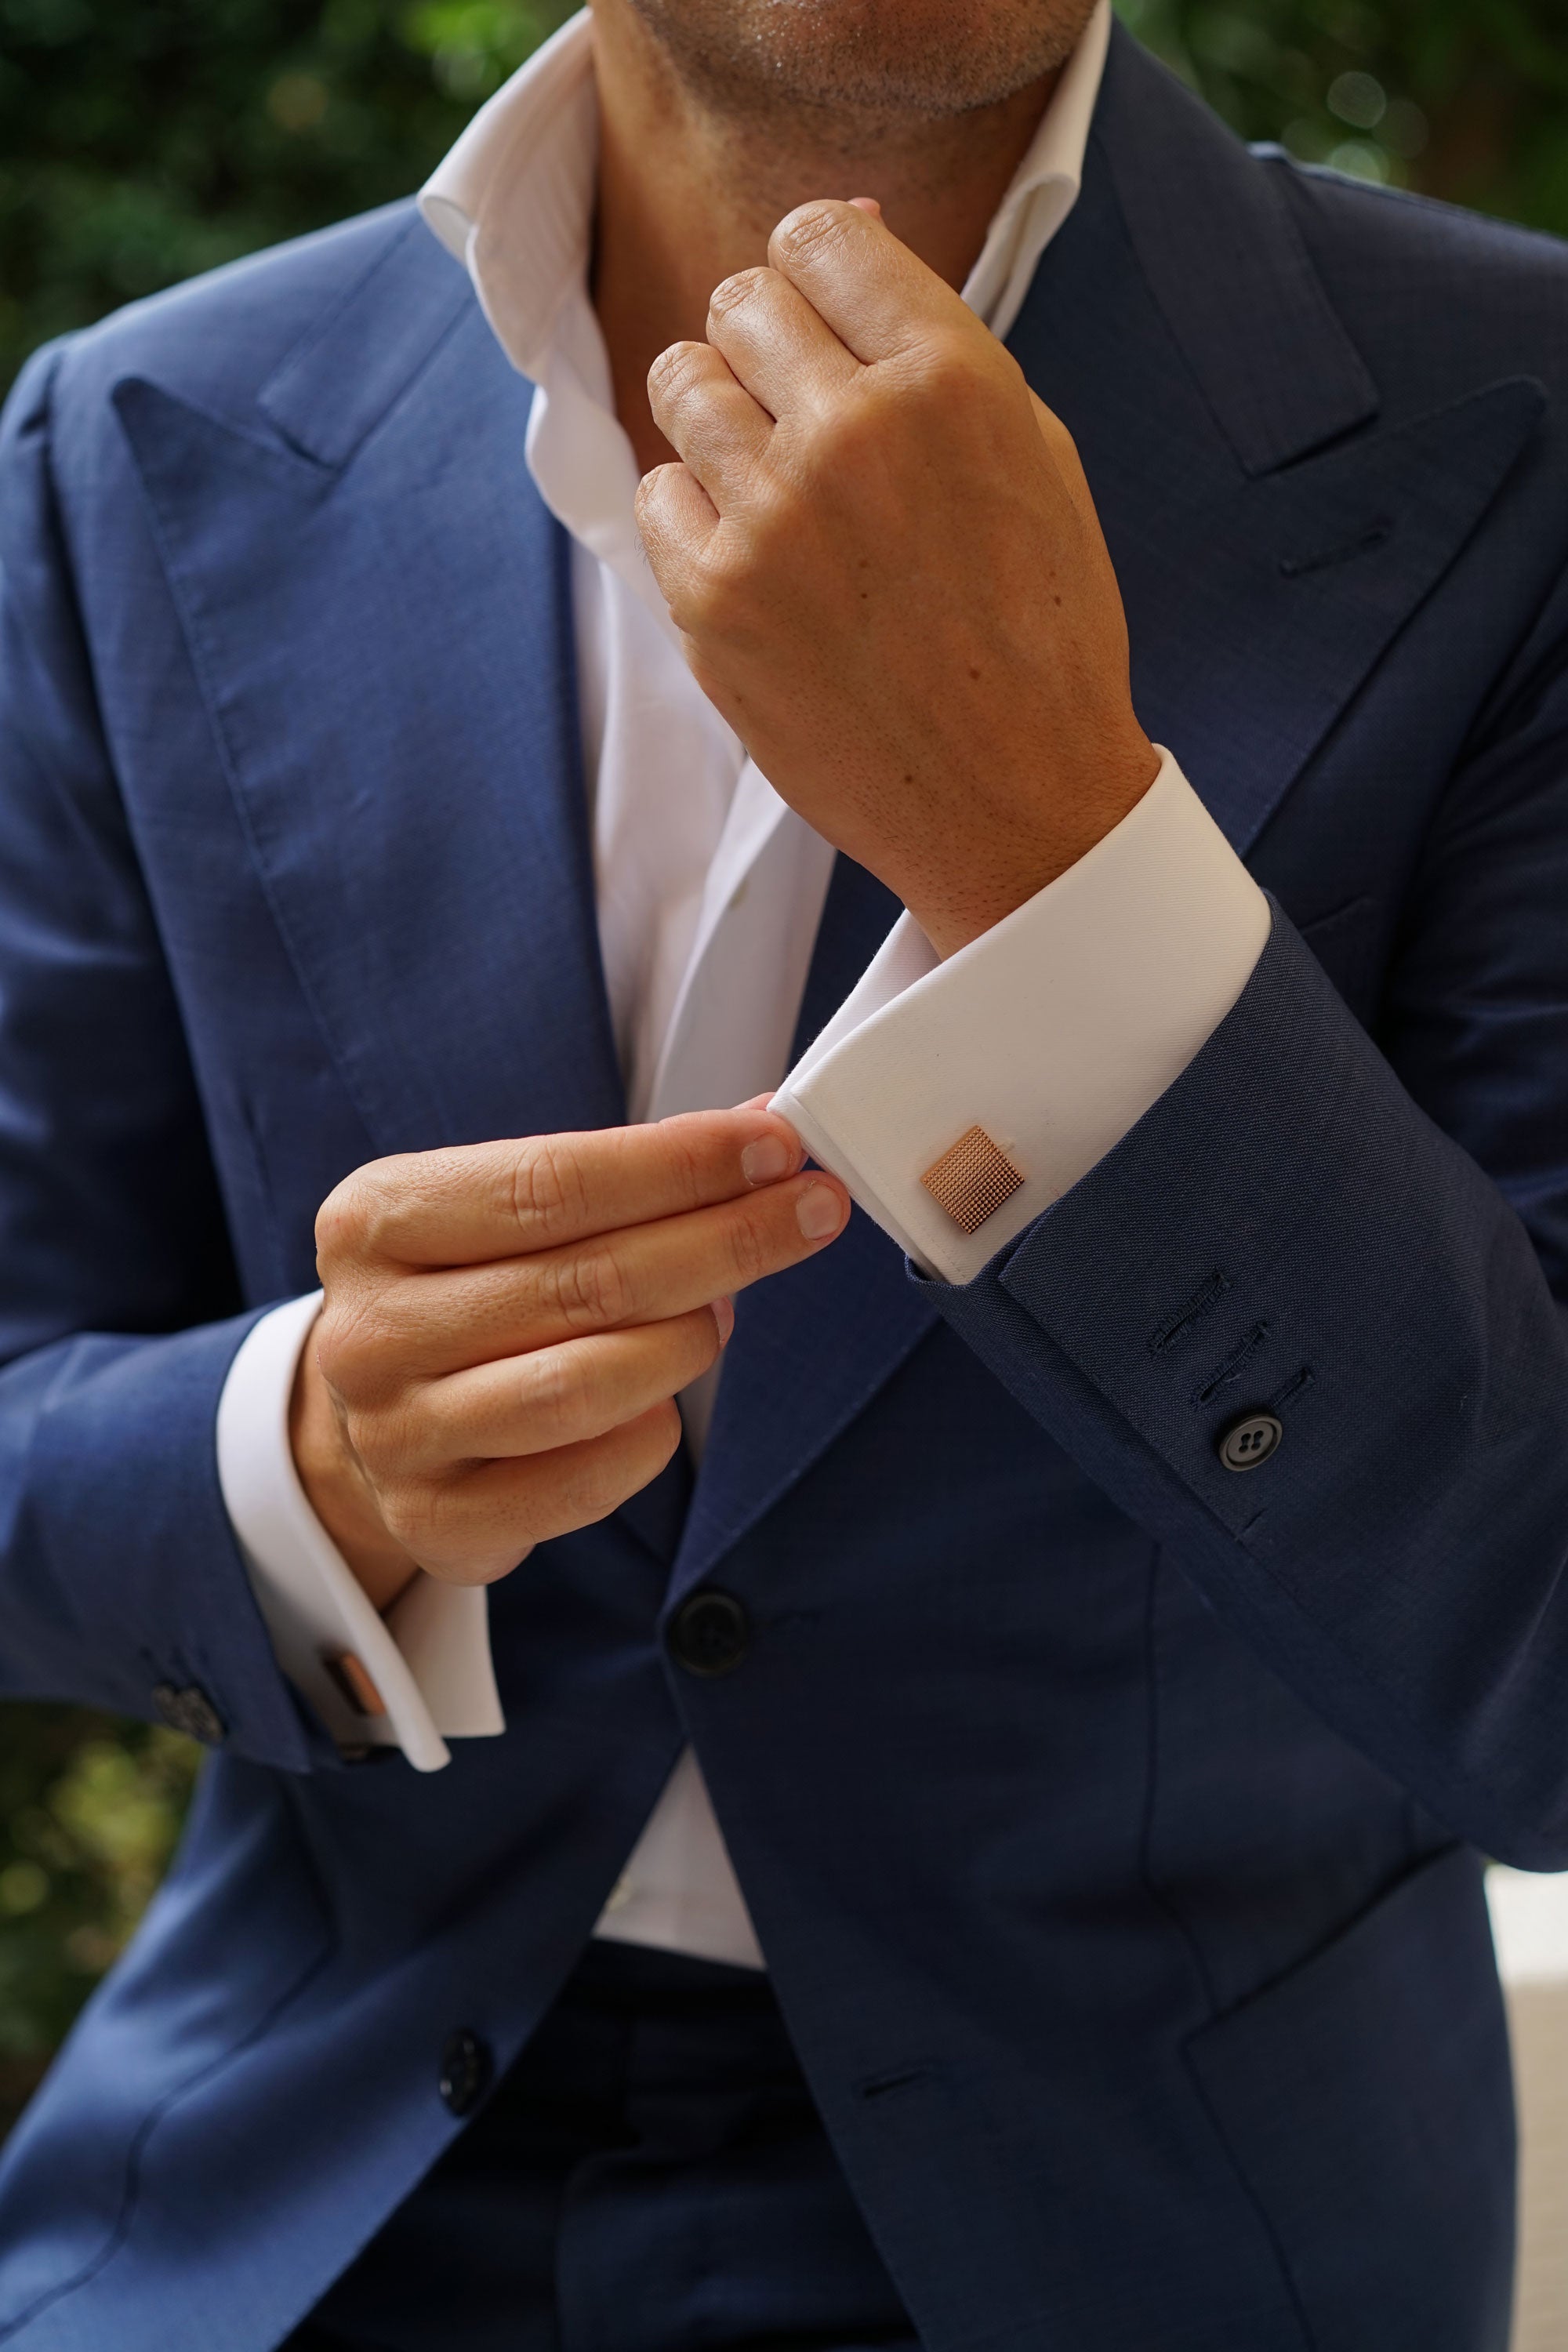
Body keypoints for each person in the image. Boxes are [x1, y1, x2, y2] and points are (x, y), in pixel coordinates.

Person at [0, 0, 1565, 2342]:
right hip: (286, 2200)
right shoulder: (129, 446)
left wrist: (1062, 868)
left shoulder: (1518, 442)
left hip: (1155, 2234)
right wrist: (300, 1456)